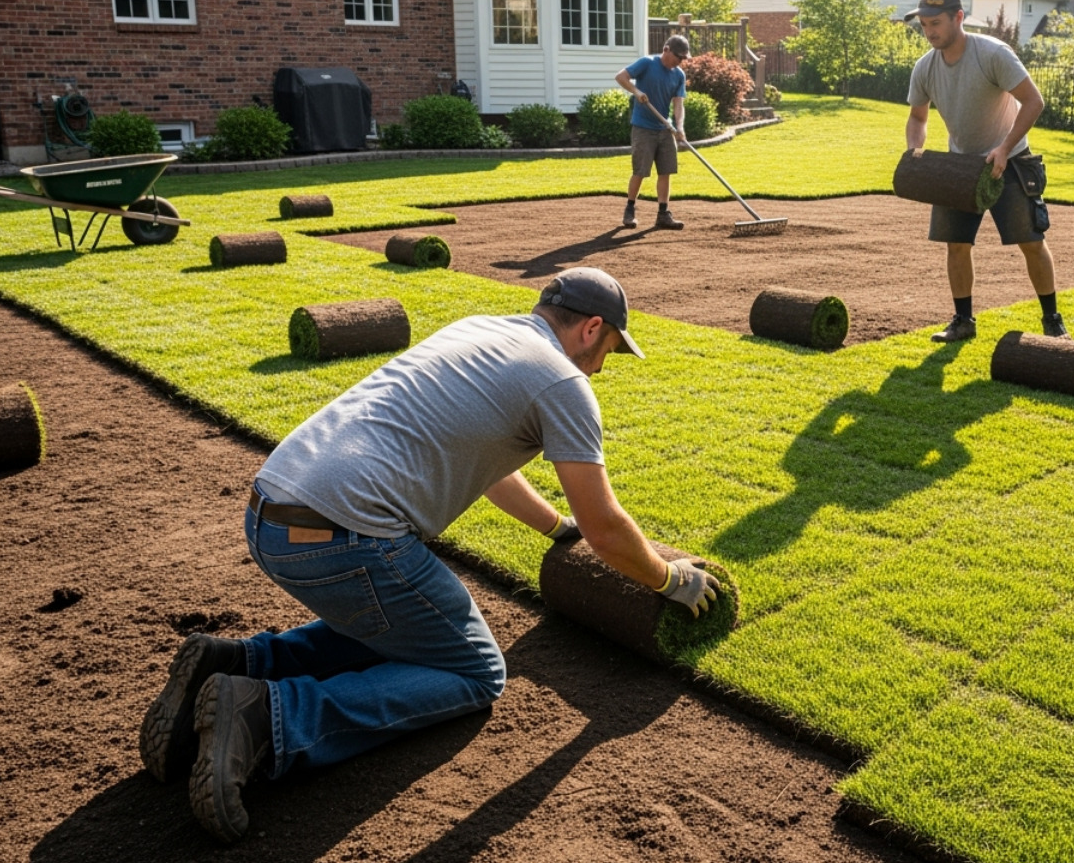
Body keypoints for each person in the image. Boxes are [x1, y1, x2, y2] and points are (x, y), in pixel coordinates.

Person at [138, 267, 720, 843]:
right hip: (345, 539)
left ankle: (234, 664)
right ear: (592, 328)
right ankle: (269, 717)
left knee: (405, 626)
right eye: (611, 350)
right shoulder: (563, 382)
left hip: (271, 513)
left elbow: (495, 470)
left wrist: (553, 527)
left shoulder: (480, 332)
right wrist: (672, 580)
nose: (602, 366)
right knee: (475, 670)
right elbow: (606, 527)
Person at [903, 0, 1066, 342]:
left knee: (1031, 242)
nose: (929, 31)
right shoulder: (925, 67)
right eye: (924, 25)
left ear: (958, 18)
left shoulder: (992, 53)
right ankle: (963, 321)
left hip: (1010, 160)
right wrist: (915, 152)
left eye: (936, 23)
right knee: (956, 244)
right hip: (960, 167)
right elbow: (918, 118)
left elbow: (1033, 101)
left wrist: (1005, 148)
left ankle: (1052, 321)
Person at [614, 34, 690, 230]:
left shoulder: (678, 75)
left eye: (683, 58)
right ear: (666, 50)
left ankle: (663, 214)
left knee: (666, 171)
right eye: (678, 57)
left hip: (664, 129)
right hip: (643, 128)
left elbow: (678, 104)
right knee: (640, 171)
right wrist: (636, 92)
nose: (680, 62)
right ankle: (630, 209)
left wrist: (679, 127)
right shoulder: (647, 63)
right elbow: (621, 77)